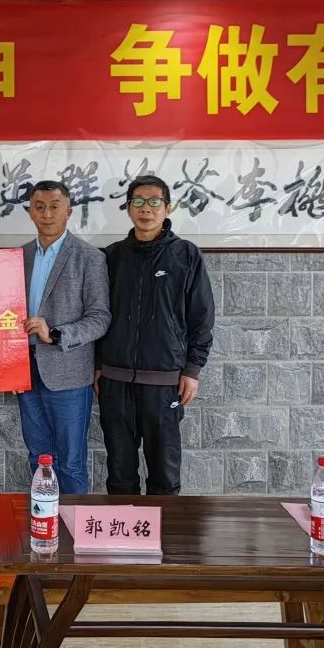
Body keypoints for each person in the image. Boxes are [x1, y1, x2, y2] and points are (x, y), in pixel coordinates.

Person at [96, 175, 215, 495]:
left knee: (164, 474)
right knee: (119, 474)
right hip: (115, 383)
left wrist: (192, 369)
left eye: (153, 202)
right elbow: (98, 314)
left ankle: (167, 529)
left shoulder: (185, 255)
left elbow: (201, 317)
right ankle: (122, 528)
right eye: (138, 201)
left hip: (165, 384)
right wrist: (98, 365)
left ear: (167, 208)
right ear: (128, 208)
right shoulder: (112, 256)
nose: (145, 209)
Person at [20, 180, 111, 494]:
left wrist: (57, 334)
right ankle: (44, 518)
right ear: (30, 212)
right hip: (26, 373)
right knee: (37, 456)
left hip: (69, 373)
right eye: (40, 207)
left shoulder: (89, 257)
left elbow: (100, 318)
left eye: (54, 207)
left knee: (70, 462)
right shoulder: (19, 256)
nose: (47, 214)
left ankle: (72, 524)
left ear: (69, 212)